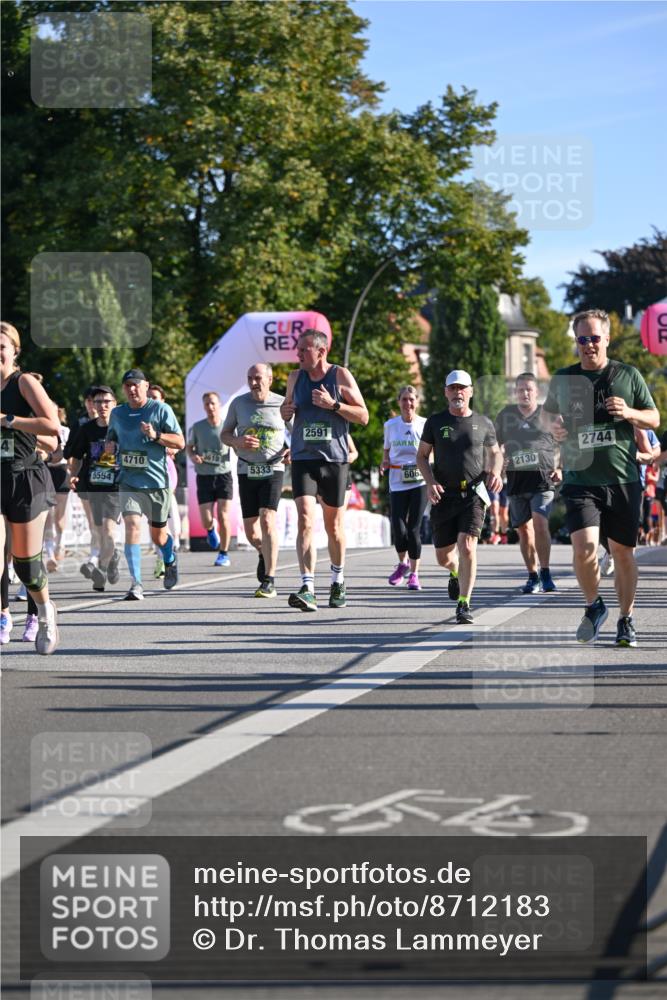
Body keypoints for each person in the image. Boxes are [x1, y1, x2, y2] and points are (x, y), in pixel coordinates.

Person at [542, 309, 659, 646]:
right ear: (576, 341)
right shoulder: (564, 378)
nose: (589, 345)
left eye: (595, 338)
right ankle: (594, 605)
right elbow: (548, 414)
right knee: (585, 549)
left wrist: (630, 412)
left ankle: (626, 619)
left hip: (622, 479)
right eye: (582, 339)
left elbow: (653, 418)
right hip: (580, 478)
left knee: (623, 552)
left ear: (607, 338)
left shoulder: (628, 375)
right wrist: (553, 426)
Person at [280, 328, 369, 611]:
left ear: (321, 351)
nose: (298, 355)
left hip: (334, 458)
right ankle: (307, 586)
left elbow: (364, 416)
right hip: (304, 457)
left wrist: (335, 405)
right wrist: (285, 412)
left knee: (333, 526)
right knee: (305, 519)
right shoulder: (295, 377)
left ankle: (337, 579)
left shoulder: (340, 376)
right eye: (298, 350)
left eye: (304, 350)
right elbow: (287, 409)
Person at [416, 369, 503, 624]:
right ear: (446, 392)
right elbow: (421, 456)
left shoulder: (484, 423)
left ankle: (464, 604)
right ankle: (454, 572)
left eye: (462, 388)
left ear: (470, 392)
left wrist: (496, 471)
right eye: (453, 388)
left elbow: (496, 453)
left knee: (467, 546)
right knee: (443, 556)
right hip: (443, 495)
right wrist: (430, 482)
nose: (458, 393)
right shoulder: (435, 422)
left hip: (473, 494)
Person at [0, 322, 60, 654]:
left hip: (24, 478)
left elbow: (51, 423)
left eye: (1, 347)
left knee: (26, 564)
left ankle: (45, 611)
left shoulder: (22, 382)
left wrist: (9, 419)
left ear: (14, 351)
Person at [105, 369, 185, 601]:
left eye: (135, 385)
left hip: (156, 482)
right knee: (131, 526)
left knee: (159, 536)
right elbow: (112, 437)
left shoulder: (160, 409)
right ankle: (136, 583)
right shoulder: (118, 413)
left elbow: (179, 441)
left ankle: (169, 559)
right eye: (127, 385)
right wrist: (110, 445)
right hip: (129, 481)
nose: (131, 389)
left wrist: (156, 435)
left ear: (145, 386)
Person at [222, 363, 290, 597]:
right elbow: (225, 434)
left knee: (267, 518)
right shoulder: (239, 403)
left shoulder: (282, 403)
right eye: (250, 378)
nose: (253, 382)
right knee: (252, 532)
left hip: (273, 467)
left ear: (270, 379)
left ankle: (269, 579)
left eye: (258, 378)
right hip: (247, 469)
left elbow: (298, 431)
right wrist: (238, 442)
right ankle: (264, 552)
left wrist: (292, 450)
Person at [495, 372, 560, 593]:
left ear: (537, 392)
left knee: (540, 524)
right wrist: (496, 465)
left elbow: (567, 442)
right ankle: (532, 576)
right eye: (521, 389)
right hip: (516, 482)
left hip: (542, 481)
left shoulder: (548, 415)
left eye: (529, 389)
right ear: (515, 393)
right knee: (524, 530)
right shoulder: (506, 415)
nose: (525, 393)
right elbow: (494, 445)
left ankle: (546, 572)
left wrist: (560, 467)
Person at [67, 386, 121, 592]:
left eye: (107, 402)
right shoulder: (87, 429)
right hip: (93, 486)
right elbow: (77, 455)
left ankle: (103, 568)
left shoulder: (121, 428)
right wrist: (73, 474)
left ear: (114, 404)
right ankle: (111, 558)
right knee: (98, 532)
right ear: (93, 405)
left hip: (115, 486)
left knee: (108, 530)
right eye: (98, 402)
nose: (102, 406)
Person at [382, 385, 427, 591]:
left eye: (411, 399)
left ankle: (415, 574)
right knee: (399, 529)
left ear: (417, 402)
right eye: (404, 400)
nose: (408, 403)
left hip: (419, 481)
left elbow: (430, 453)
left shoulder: (425, 424)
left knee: (414, 529)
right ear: (399, 402)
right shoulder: (390, 425)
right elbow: (386, 452)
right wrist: (384, 463)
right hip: (397, 481)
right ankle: (403, 564)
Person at [187, 391, 233, 567]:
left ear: (219, 405)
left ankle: (224, 553)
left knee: (223, 515)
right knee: (206, 519)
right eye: (207, 404)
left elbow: (236, 446)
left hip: (224, 475)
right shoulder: (197, 427)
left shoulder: (227, 427)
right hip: (204, 475)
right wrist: (193, 456)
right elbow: (190, 447)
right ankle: (210, 530)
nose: (210, 407)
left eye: (213, 403)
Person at [44, 406, 71, 572]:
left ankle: (60, 544)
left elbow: (69, 454)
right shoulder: (39, 428)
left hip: (61, 472)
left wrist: (72, 472)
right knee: (47, 514)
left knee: (59, 516)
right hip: (45, 470)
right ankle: (49, 555)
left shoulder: (65, 430)